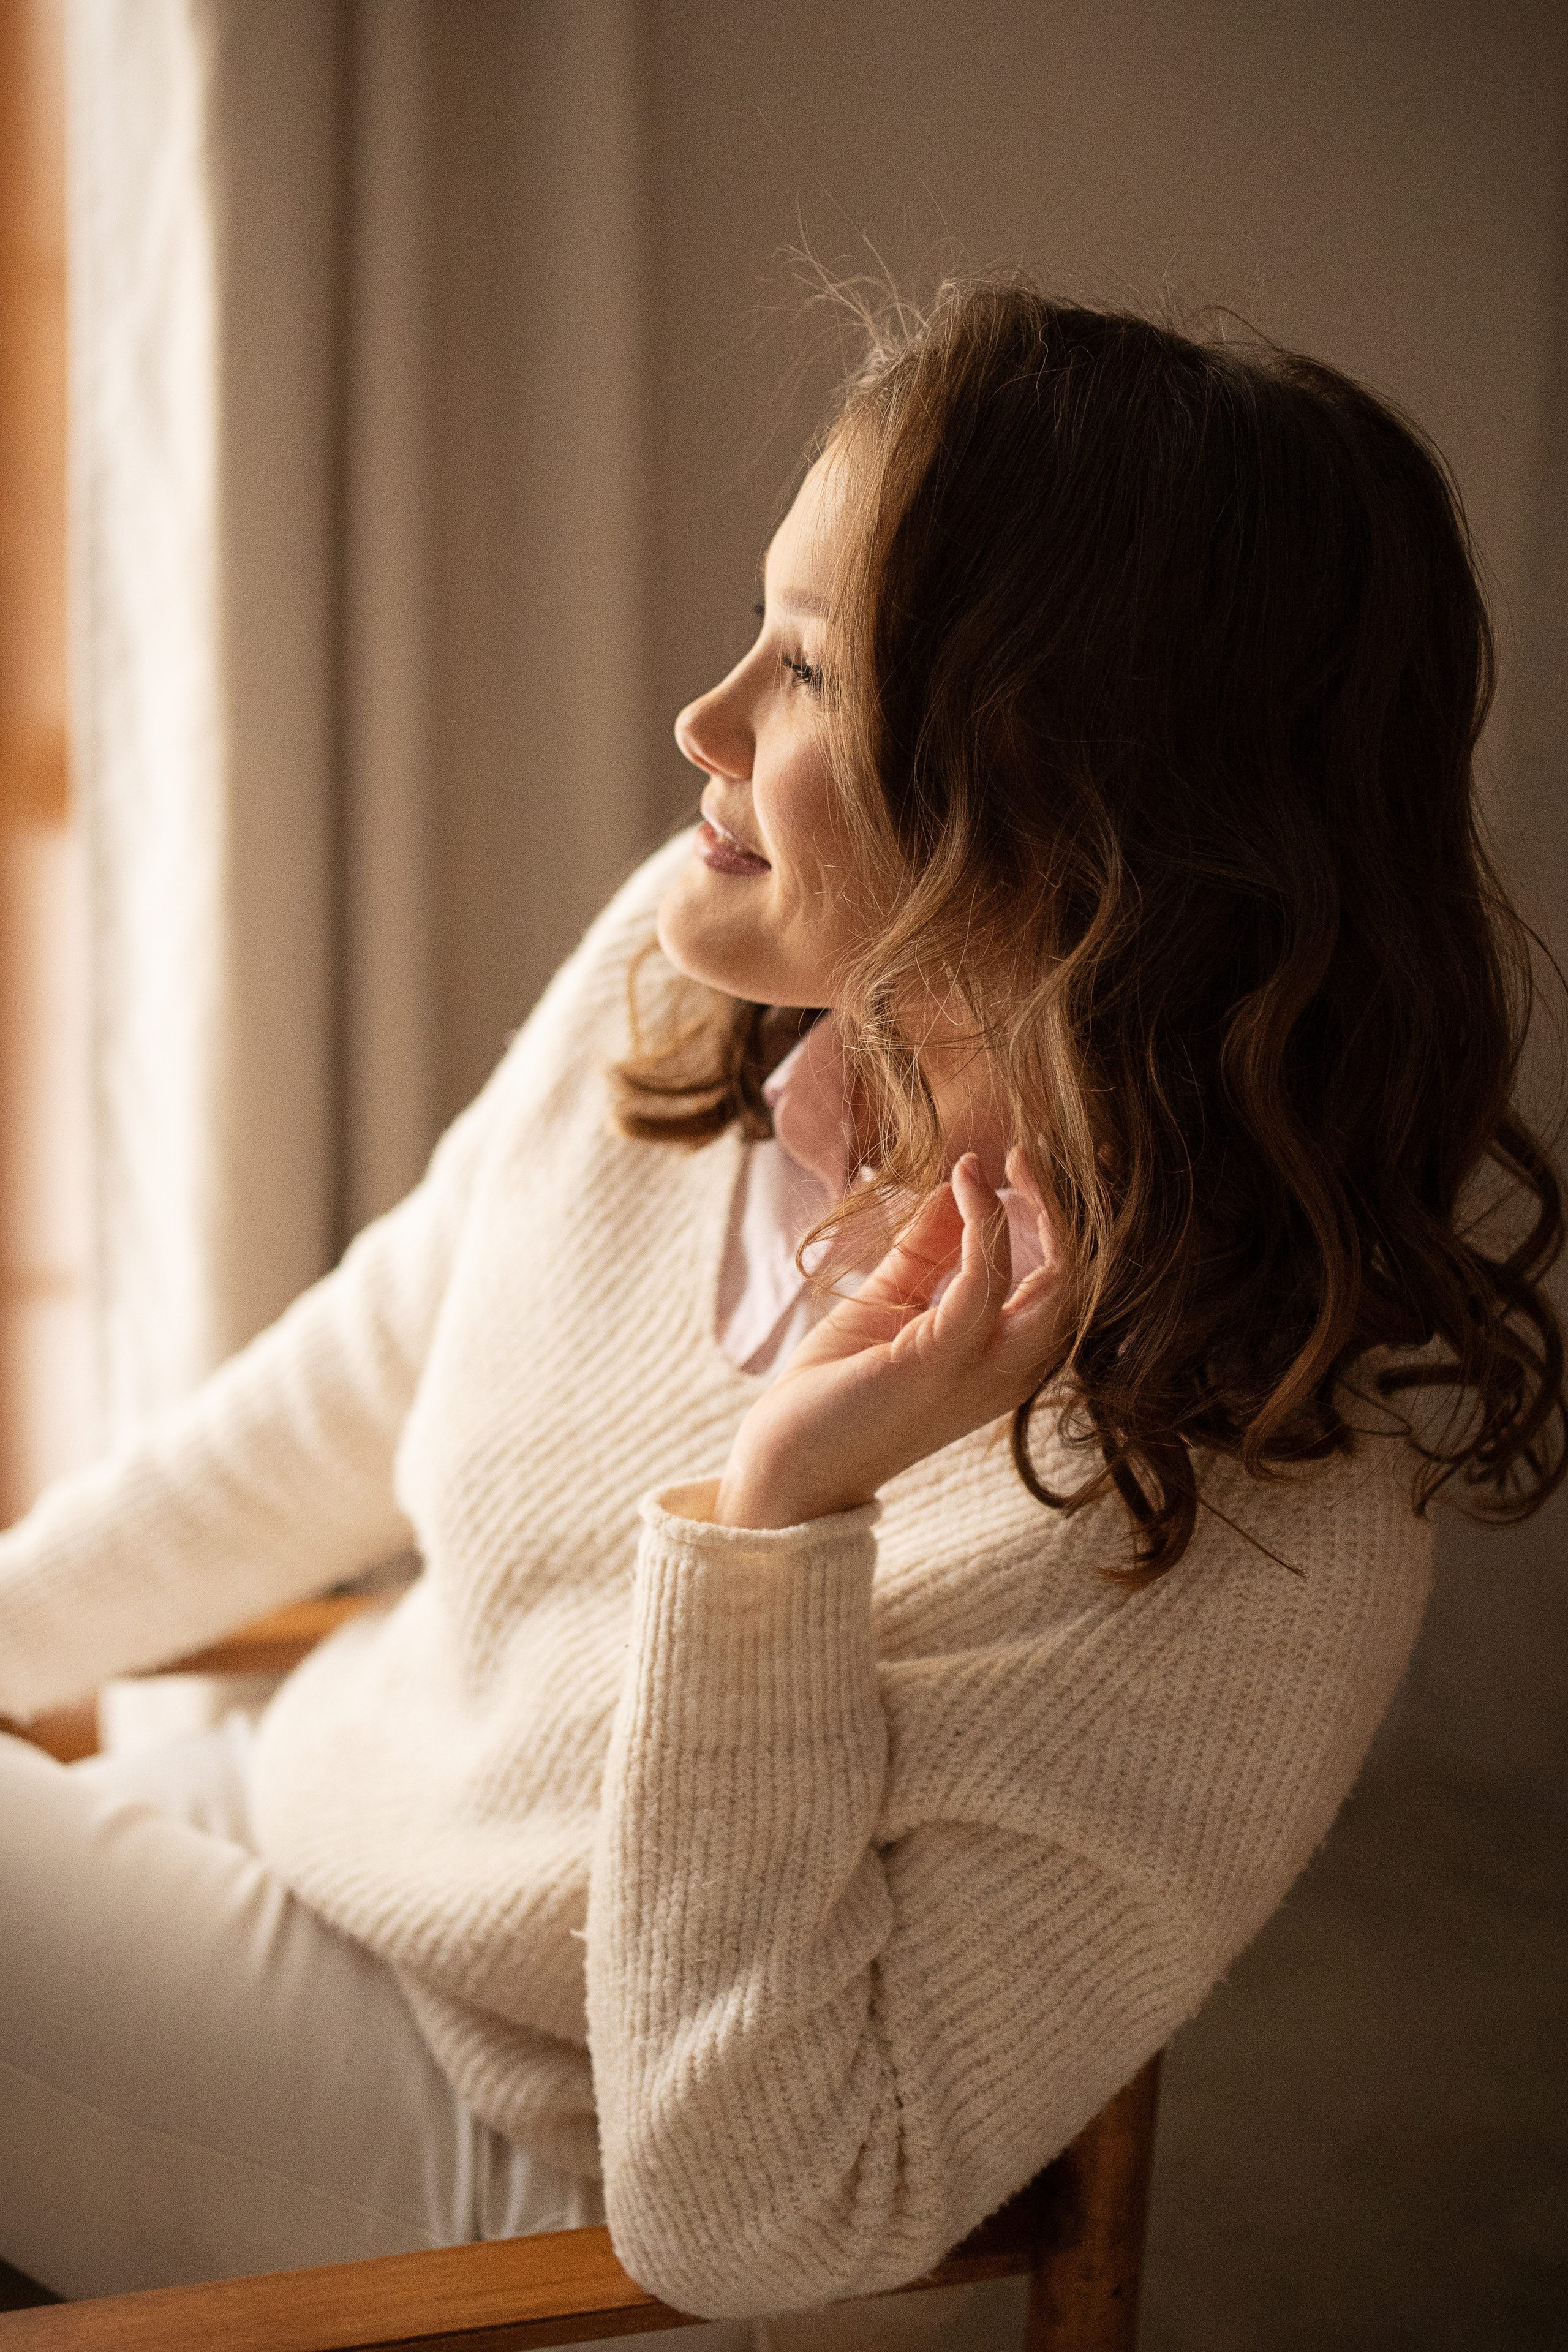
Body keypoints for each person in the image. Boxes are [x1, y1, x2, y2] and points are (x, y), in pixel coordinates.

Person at [0, 278, 1561, 2339]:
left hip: (556, 2174)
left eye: (811, 671)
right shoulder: (705, 990)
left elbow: (763, 2214)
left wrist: (780, 1518)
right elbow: (352, 1390)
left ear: (1074, 810)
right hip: (331, 1842)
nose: (708, 718)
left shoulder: (1260, 1505)